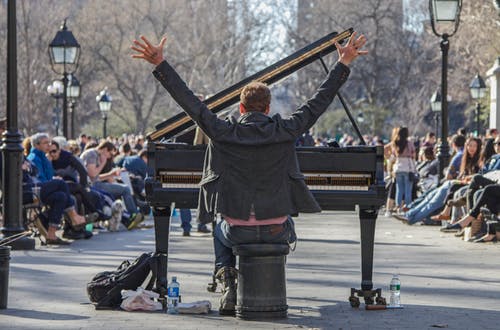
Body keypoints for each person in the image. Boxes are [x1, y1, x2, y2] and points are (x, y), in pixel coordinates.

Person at [131, 31, 367, 315]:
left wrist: (160, 64)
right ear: (268, 109)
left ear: (240, 108)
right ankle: (267, 280)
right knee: (286, 223)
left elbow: (192, 105)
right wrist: (343, 63)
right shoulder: (286, 129)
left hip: (237, 233)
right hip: (277, 230)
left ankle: (227, 278)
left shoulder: (222, 132)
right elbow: (319, 101)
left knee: (219, 227)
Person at [390, 127, 416, 211]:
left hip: (398, 167)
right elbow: (413, 155)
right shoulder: (409, 143)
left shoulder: (395, 143)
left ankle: (398, 206)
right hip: (407, 168)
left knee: (399, 189)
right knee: (408, 190)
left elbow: (393, 155)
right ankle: (407, 207)